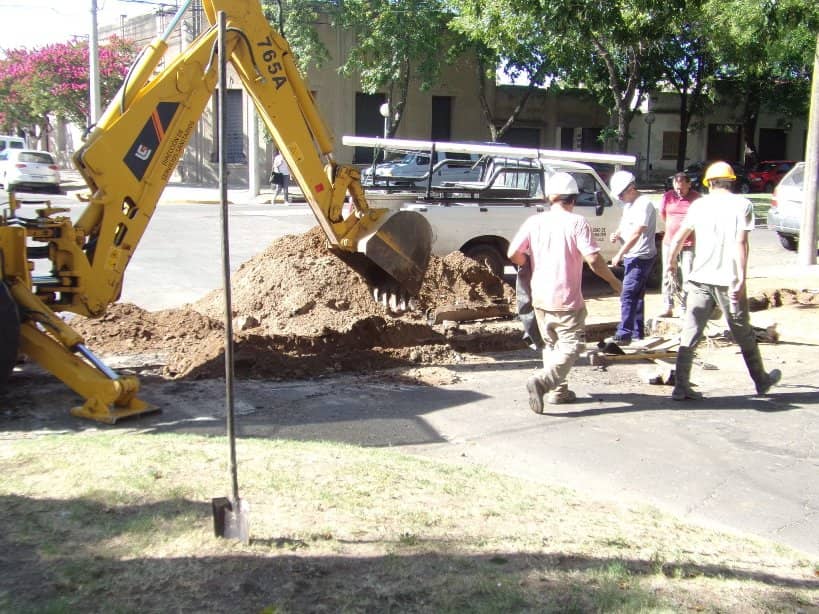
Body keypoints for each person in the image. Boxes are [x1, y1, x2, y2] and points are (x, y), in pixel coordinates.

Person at [665, 161, 781, 401]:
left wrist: (670, 263)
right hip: (727, 280)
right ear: (732, 180)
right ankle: (761, 381)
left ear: (708, 183)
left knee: (691, 331)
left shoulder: (699, 206)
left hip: (699, 279)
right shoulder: (742, 205)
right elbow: (741, 244)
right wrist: (739, 279)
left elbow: (679, 237)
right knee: (742, 332)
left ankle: (681, 387)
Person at [507, 172, 622, 413]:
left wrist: (527, 262)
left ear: (550, 197)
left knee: (552, 345)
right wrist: (614, 282)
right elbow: (594, 260)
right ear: (574, 199)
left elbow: (513, 253)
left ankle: (559, 392)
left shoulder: (534, 222)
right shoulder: (577, 222)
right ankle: (543, 382)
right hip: (567, 299)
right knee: (572, 347)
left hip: (539, 296)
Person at [607, 170, 657, 345]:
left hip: (641, 256)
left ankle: (624, 333)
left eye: (621, 194)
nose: (620, 198)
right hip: (632, 255)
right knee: (636, 294)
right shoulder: (628, 205)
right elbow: (625, 225)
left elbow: (637, 232)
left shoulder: (644, 204)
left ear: (631, 189)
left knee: (627, 293)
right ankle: (637, 332)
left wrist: (619, 254)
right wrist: (617, 234)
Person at [658, 172, 701, 317]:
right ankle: (667, 305)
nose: (679, 190)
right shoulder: (667, 196)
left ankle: (684, 306)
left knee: (687, 275)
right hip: (669, 242)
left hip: (689, 243)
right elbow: (663, 215)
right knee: (668, 273)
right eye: (676, 187)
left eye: (682, 187)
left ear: (689, 184)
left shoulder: (696, 199)